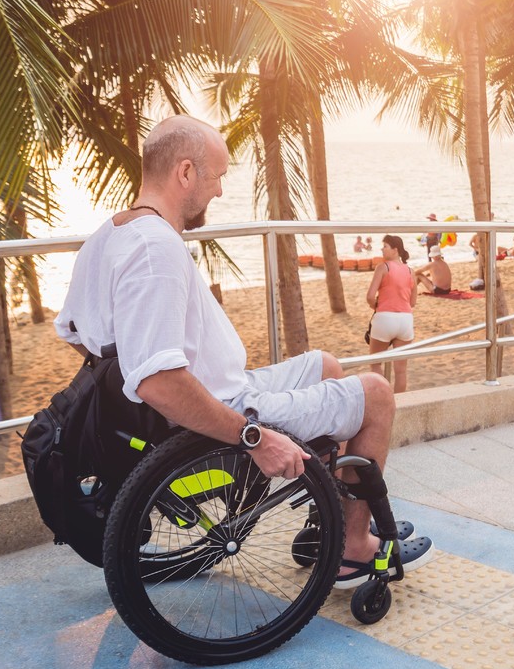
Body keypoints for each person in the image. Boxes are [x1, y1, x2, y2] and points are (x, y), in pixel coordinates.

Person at [54, 115, 433, 589]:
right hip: (226, 410)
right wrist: (252, 436)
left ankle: (331, 522)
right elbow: (157, 381)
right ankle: (352, 553)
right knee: (376, 394)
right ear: (186, 172)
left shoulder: (108, 236)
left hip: (223, 391)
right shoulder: (156, 249)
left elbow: (74, 332)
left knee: (325, 366)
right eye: (217, 177)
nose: (217, 191)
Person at [366, 235, 416, 394]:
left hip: (385, 318)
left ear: (396, 250)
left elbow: (369, 296)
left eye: (385, 246)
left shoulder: (383, 267)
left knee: (375, 364)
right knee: (401, 371)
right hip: (405, 320)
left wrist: (376, 305)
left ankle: (382, 400)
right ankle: (399, 405)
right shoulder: (410, 271)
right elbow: (412, 302)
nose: (382, 249)